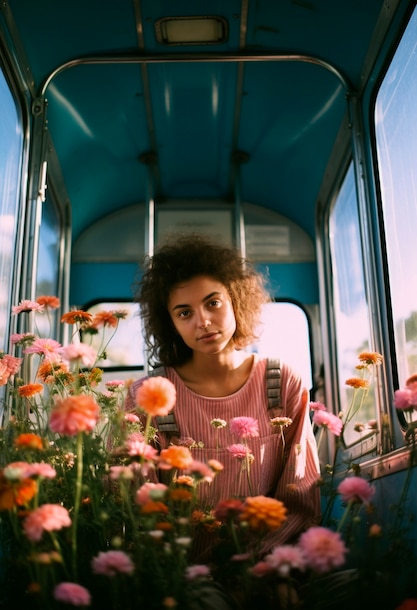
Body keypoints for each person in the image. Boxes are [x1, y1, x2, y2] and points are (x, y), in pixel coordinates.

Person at [125, 232, 321, 554]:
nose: (203, 321)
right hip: (180, 573)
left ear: (236, 300)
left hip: (269, 567)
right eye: (184, 312)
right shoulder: (147, 396)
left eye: (213, 303)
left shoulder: (283, 382)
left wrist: (269, 567)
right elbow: (134, 498)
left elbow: (300, 495)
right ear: (170, 322)